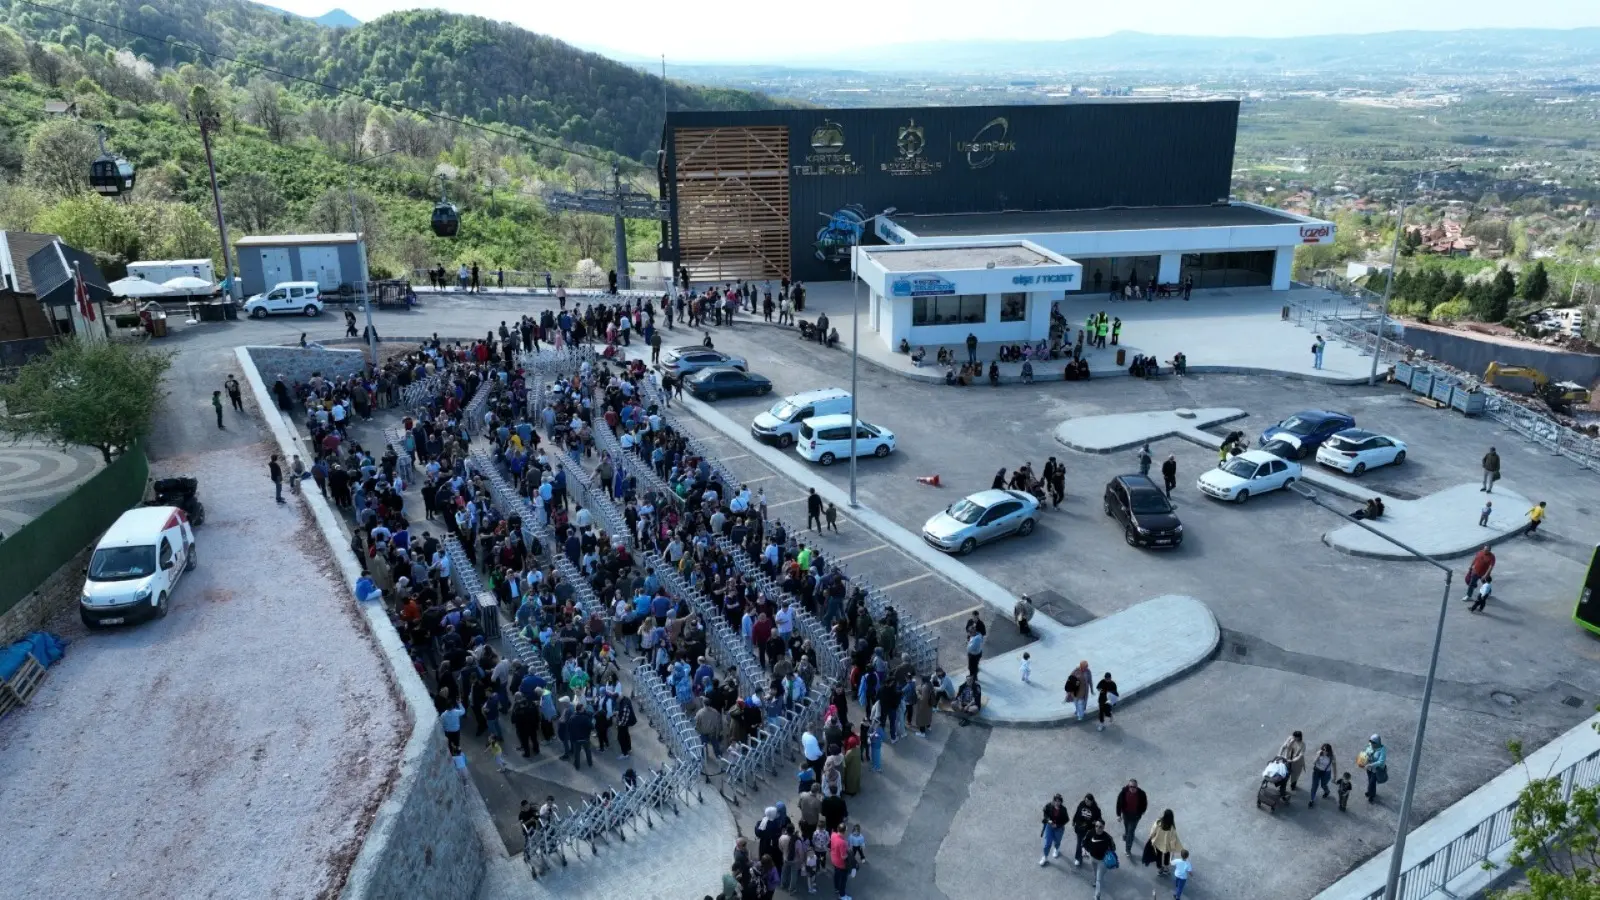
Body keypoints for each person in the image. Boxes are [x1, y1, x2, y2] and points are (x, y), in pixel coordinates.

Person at [1143, 809, 1184, 876]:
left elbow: (1153, 831)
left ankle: (1159, 868)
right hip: (1166, 846)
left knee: (1158, 855)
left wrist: (1151, 837)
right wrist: (1173, 848)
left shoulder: (1158, 822)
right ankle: (1166, 868)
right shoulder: (1172, 828)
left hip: (1158, 843)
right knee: (1167, 855)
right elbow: (1173, 839)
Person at [1114, 779, 1148, 857]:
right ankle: (1126, 834)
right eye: (1131, 786)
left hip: (1135, 816)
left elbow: (1144, 804)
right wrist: (1118, 815)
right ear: (1128, 786)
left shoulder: (1141, 794)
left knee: (1130, 832)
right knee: (1127, 828)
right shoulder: (1123, 792)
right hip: (1126, 815)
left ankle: (1128, 849)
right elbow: (1119, 803)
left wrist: (1142, 812)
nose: (1132, 788)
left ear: (1137, 787)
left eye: (1134, 787)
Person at [1084, 819, 1116, 899]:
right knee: (1095, 873)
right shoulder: (1091, 833)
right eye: (1096, 826)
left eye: (1100, 827)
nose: (1098, 828)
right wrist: (1088, 850)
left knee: (1099, 878)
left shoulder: (1107, 838)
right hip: (1092, 858)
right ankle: (1096, 881)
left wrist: (1108, 852)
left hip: (1102, 861)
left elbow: (1113, 848)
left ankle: (1097, 895)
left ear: (1103, 827)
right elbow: (1085, 842)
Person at [1071, 793, 1102, 866]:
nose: (1086, 802)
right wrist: (1074, 820)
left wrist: (1096, 822)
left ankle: (1093, 856)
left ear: (1092, 801)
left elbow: (1099, 819)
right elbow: (1077, 813)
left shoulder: (1096, 809)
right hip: (1080, 828)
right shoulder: (1082, 804)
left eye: (1088, 801)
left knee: (1089, 844)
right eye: (1085, 800)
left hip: (1089, 830)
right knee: (1079, 844)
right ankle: (1078, 858)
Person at [1040, 793, 1070, 866]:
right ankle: (1045, 857)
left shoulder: (1063, 810)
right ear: (1053, 801)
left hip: (1059, 828)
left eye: (1058, 801)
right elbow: (1045, 813)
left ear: (1061, 802)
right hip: (1049, 827)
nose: (1057, 802)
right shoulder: (1049, 806)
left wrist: (1057, 825)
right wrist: (1048, 820)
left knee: (1057, 841)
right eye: (1055, 801)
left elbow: (1066, 819)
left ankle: (1056, 848)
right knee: (1047, 843)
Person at [1360, 734, 1387, 802]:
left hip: (1376, 770)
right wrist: (1363, 759)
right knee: (1370, 781)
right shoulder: (1370, 746)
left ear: (1377, 743)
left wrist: (1371, 765)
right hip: (1369, 768)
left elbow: (1381, 761)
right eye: (1371, 742)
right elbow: (1366, 752)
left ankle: (1371, 795)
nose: (1371, 744)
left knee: (1372, 782)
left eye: (1373, 742)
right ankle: (1372, 792)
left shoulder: (1382, 750)